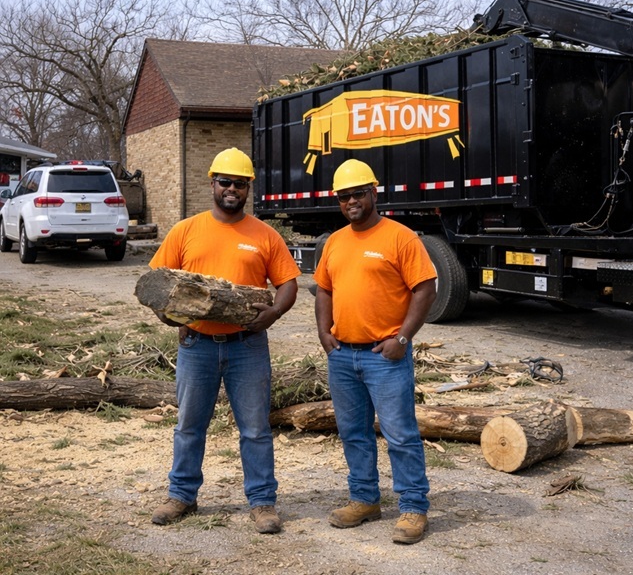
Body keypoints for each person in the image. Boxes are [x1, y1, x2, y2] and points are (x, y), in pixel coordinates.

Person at [149, 147, 300, 534]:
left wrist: (274, 313)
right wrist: (169, 315)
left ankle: (263, 502)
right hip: (196, 345)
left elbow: (287, 284)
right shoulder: (185, 230)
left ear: (249, 188)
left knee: (254, 428)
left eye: (240, 183)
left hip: (247, 346)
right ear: (212, 183)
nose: (232, 189)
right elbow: (159, 284)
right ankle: (181, 495)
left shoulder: (265, 235)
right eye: (225, 182)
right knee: (188, 425)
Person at [313, 159, 436, 545]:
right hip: (343, 355)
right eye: (344, 196)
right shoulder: (335, 241)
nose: (351, 201)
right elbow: (324, 290)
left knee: (400, 434)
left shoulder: (400, 237)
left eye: (357, 193)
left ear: (373, 193)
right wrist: (323, 333)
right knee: (353, 433)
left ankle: (414, 508)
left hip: (385, 356)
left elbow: (426, 287)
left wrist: (401, 338)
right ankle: (364, 499)